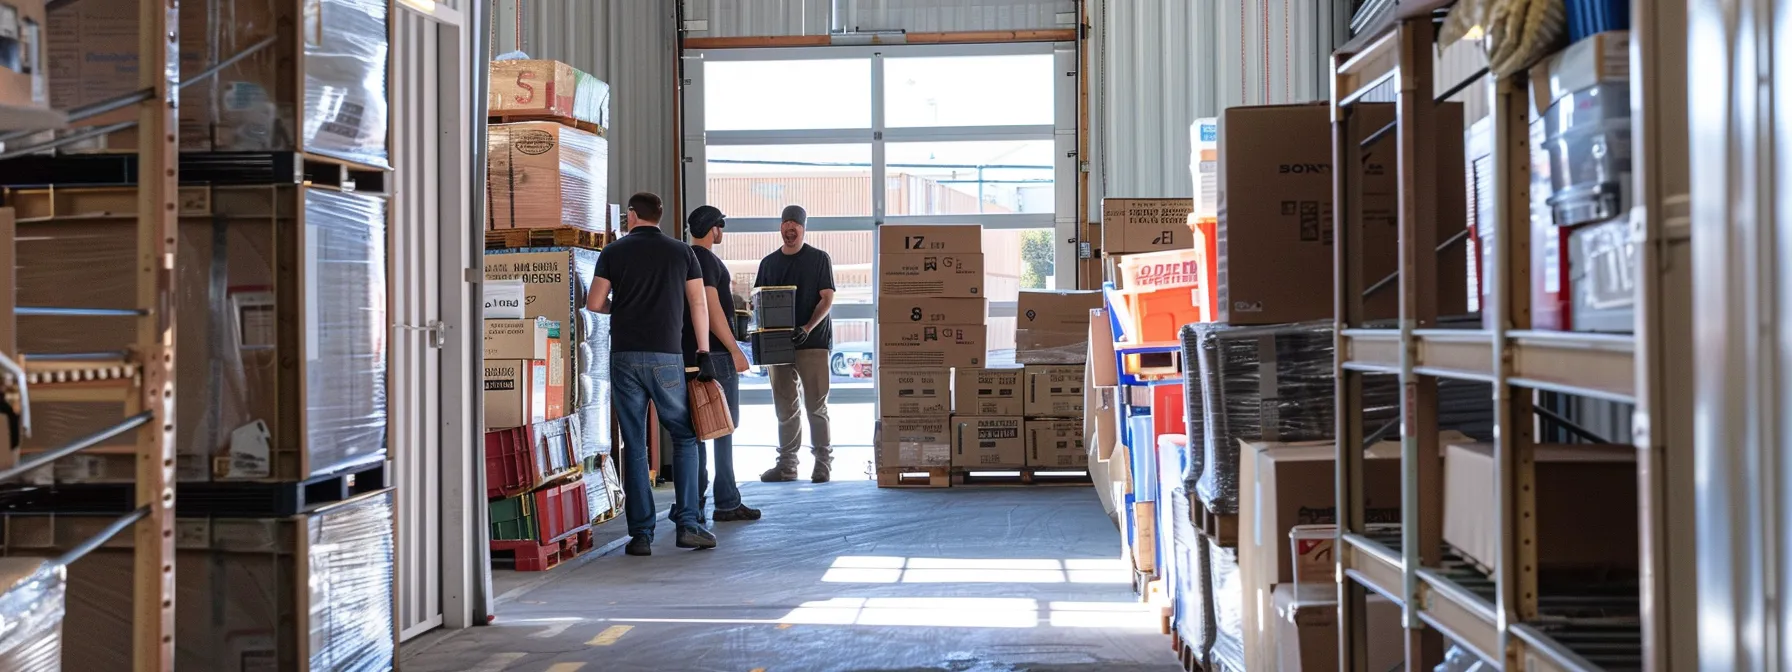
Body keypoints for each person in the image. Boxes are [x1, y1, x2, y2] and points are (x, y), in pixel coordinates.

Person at [587, 192, 719, 556]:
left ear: (632, 215)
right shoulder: (682, 252)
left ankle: (641, 535)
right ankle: (688, 523)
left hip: (625, 356)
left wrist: (625, 305)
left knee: (635, 444)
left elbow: (594, 304)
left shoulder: (613, 252)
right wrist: (704, 351)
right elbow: (698, 303)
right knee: (684, 435)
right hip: (667, 357)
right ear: (659, 217)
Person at [678, 205, 762, 522]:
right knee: (723, 426)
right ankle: (726, 501)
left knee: (695, 429)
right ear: (714, 229)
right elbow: (711, 309)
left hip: (687, 354)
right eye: (720, 227)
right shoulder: (707, 260)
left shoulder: (683, 256)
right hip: (714, 354)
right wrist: (735, 350)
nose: (721, 232)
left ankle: (694, 504)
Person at [754, 205, 837, 483]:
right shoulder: (768, 264)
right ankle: (787, 465)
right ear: (780, 227)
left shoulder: (818, 259)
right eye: (785, 223)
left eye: (795, 224)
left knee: (816, 405)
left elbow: (827, 299)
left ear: (803, 228)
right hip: (777, 346)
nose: (790, 228)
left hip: (812, 341)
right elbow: (759, 303)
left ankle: (823, 462)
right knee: (785, 407)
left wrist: (807, 327)